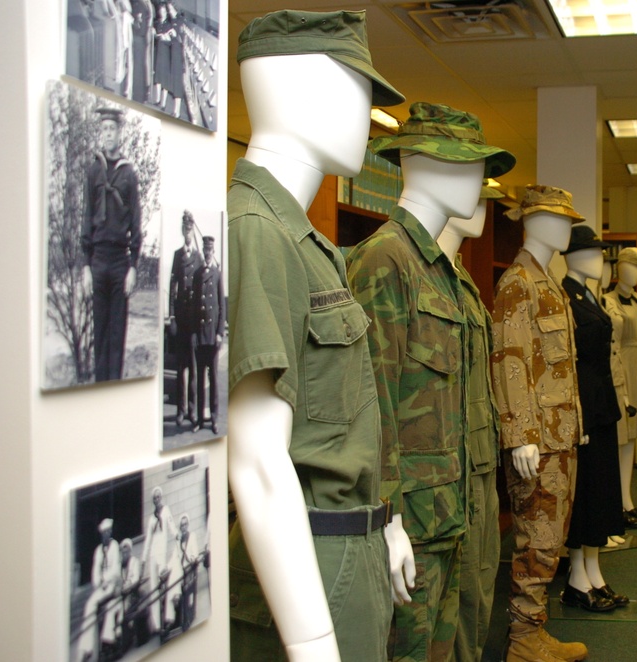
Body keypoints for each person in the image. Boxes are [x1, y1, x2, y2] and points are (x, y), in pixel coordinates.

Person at [226, 10, 405, 662]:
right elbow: (258, 461)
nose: (368, 114)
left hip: (342, 550)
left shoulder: (307, 243)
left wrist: (384, 525)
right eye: (361, 90)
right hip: (308, 565)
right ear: (304, 88)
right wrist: (311, 641)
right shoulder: (257, 231)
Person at [348, 102, 514, 662]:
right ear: (420, 164)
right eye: (467, 165)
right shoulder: (384, 262)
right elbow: (371, 409)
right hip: (411, 526)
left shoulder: (440, 271)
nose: (479, 182)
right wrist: (386, 518)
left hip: (448, 515)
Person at [490, 184, 588, 662]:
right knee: (536, 539)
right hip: (538, 442)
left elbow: (555, 367)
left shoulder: (548, 281)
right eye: (561, 218)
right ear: (533, 222)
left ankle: (533, 630)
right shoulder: (518, 284)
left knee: (551, 539)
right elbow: (509, 363)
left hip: (559, 436)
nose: (568, 227)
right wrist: (521, 437)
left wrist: (577, 423)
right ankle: (523, 642)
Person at [436, 184, 504, 662]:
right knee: (445, 606)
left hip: (478, 463)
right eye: (473, 191)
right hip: (438, 477)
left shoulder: (461, 276)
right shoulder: (392, 263)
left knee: (478, 588)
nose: (482, 207)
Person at [560, 226, 629, 613]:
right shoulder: (565, 297)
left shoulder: (590, 295)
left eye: (601, 254)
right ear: (572, 256)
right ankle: (576, 575)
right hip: (583, 405)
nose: (599, 260)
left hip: (602, 403)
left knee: (602, 485)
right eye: (593, 253)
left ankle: (594, 568)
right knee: (584, 490)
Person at [81, 105, 141, 383]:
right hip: (98, 259)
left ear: (120, 132)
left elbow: (136, 224)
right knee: (100, 333)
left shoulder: (129, 174)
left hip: (119, 262)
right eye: (103, 129)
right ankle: (99, 391)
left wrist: (133, 267)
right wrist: (85, 266)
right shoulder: (94, 171)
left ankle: (113, 390)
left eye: (112, 129)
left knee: (117, 335)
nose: (107, 134)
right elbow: (85, 218)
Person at [604, 247, 637, 528]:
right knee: (619, 437)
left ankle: (628, 500)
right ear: (618, 269)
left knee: (633, 438)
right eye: (628, 266)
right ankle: (617, 503)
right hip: (619, 369)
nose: (632, 272)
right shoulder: (607, 300)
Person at [168, 210, 202, 428]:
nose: (187, 233)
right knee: (181, 368)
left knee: (194, 368)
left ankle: (192, 410)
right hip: (180, 318)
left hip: (193, 321)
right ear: (182, 231)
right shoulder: (177, 256)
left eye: (190, 229)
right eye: (184, 229)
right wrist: (171, 314)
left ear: (192, 231)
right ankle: (180, 411)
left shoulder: (199, 258)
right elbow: (173, 288)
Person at [76, 518, 121, 662]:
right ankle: (86, 648)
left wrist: (105, 579)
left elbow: (115, 570)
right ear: (101, 534)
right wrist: (98, 582)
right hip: (102, 587)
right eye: (104, 533)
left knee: (102, 603)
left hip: (112, 585)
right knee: (89, 606)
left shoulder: (115, 546)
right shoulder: (98, 551)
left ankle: (105, 643)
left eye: (108, 532)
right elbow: (94, 573)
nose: (106, 535)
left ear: (111, 532)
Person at [192, 235, 224, 434]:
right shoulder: (197, 274)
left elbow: (222, 307)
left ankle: (213, 418)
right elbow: (195, 307)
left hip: (213, 336)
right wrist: (195, 333)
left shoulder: (218, 274)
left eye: (210, 250)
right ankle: (200, 420)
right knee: (200, 377)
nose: (207, 253)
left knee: (213, 378)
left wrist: (220, 332)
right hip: (200, 336)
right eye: (205, 250)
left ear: (213, 252)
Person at [142, 486, 179, 634]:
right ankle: (157, 625)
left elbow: (172, 527)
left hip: (162, 555)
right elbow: (148, 540)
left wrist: (177, 535)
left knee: (166, 585)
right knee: (154, 588)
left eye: (158, 496)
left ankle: (169, 618)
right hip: (152, 555)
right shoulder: (151, 519)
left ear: (161, 498)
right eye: (154, 497)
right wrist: (143, 559)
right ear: (153, 500)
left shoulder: (166, 511)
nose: (156, 499)